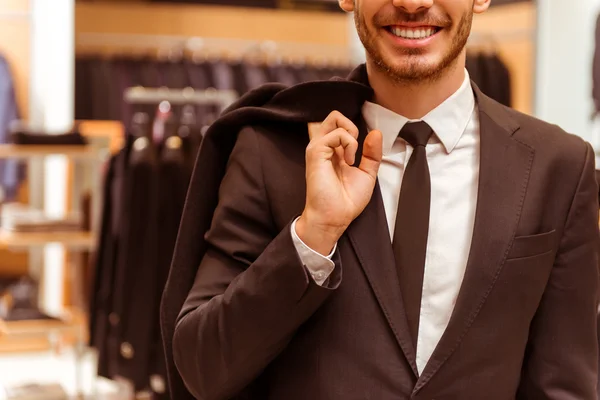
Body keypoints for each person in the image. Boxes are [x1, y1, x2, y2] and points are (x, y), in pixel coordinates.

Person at [160, 0, 600, 399]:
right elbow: (202, 368)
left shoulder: (558, 168)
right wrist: (313, 236)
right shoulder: (270, 153)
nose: (413, 3)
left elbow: (563, 386)